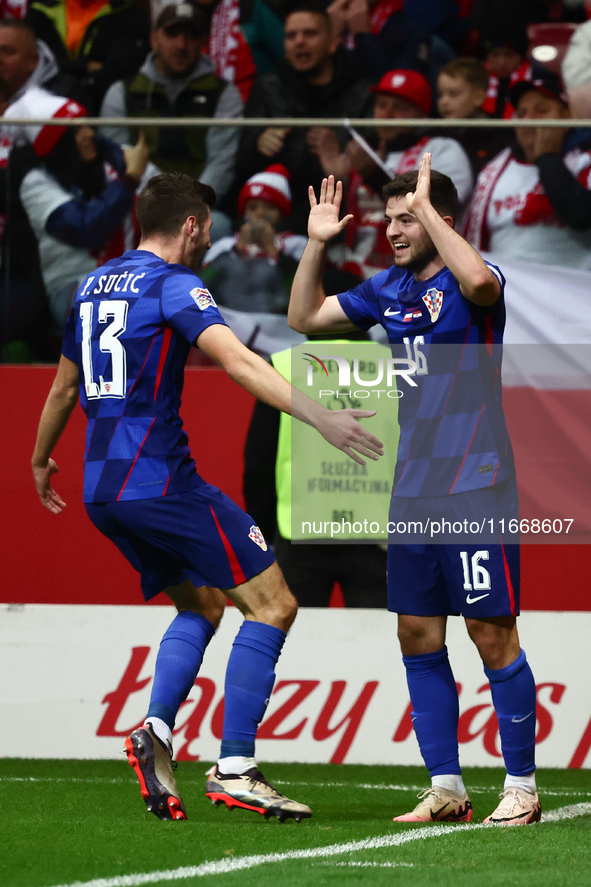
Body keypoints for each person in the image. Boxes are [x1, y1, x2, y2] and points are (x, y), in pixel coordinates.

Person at [31, 171, 383, 822]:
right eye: (206, 227)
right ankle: (236, 766)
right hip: (162, 480)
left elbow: (60, 390)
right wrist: (320, 415)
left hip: (101, 488)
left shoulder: (89, 286)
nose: (208, 237)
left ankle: (157, 731)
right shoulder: (174, 284)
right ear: (191, 226)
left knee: (201, 604)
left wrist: (38, 457)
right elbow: (242, 362)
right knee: (273, 603)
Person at [287, 156, 541, 825]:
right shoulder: (387, 289)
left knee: (490, 632)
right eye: (389, 218)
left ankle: (521, 786)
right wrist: (316, 243)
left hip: (476, 481)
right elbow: (304, 316)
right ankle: (446, 787)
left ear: (439, 219)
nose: (394, 228)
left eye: (408, 216)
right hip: (413, 490)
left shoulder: (473, 282)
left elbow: (480, 279)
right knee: (415, 631)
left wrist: (430, 212)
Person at [309, 69, 473, 279]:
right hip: (357, 270)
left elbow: (433, 210)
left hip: (416, 276)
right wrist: (337, 179)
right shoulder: (366, 152)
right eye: (381, 105)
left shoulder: (443, 150)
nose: (386, 114)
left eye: (399, 108)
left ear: (421, 114)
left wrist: (372, 175)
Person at [99, 0, 243, 239]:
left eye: (191, 35)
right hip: (137, 204)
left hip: (197, 210)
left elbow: (221, 166)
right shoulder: (122, 92)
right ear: (154, 39)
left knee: (218, 227)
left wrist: (188, 210)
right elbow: (116, 161)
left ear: (203, 42)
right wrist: (154, 210)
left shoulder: (224, 95)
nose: (181, 44)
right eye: (172, 33)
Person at [234, 1, 373, 235]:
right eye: (291, 36)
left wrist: (339, 156)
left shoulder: (361, 92)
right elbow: (240, 165)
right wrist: (257, 143)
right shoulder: (268, 88)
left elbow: (374, 166)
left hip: (339, 212)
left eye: (309, 34)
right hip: (274, 209)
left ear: (332, 43)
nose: (299, 41)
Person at [463, 67, 591, 270]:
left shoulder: (585, 161)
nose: (529, 120)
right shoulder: (492, 172)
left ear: (568, 116)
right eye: (521, 114)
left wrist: (546, 158)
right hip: (509, 296)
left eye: (541, 111)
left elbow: (582, 215)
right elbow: (474, 246)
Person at [200, 163, 307, 314]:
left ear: (281, 213)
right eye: (253, 207)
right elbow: (205, 282)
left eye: (269, 207)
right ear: (244, 213)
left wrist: (274, 251)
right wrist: (238, 251)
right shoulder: (224, 246)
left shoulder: (295, 245)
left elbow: (303, 290)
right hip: (229, 318)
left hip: (277, 323)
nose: (261, 214)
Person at [24, 0, 151, 113]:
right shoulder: (40, 9)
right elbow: (32, 63)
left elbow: (119, 70)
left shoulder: (128, 12)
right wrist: (83, 66)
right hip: (40, 106)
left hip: (100, 110)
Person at [436, 57, 514, 178]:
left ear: (478, 98)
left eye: (453, 94)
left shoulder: (499, 137)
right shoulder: (433, 136)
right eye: (440, 94)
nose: (444, 102)